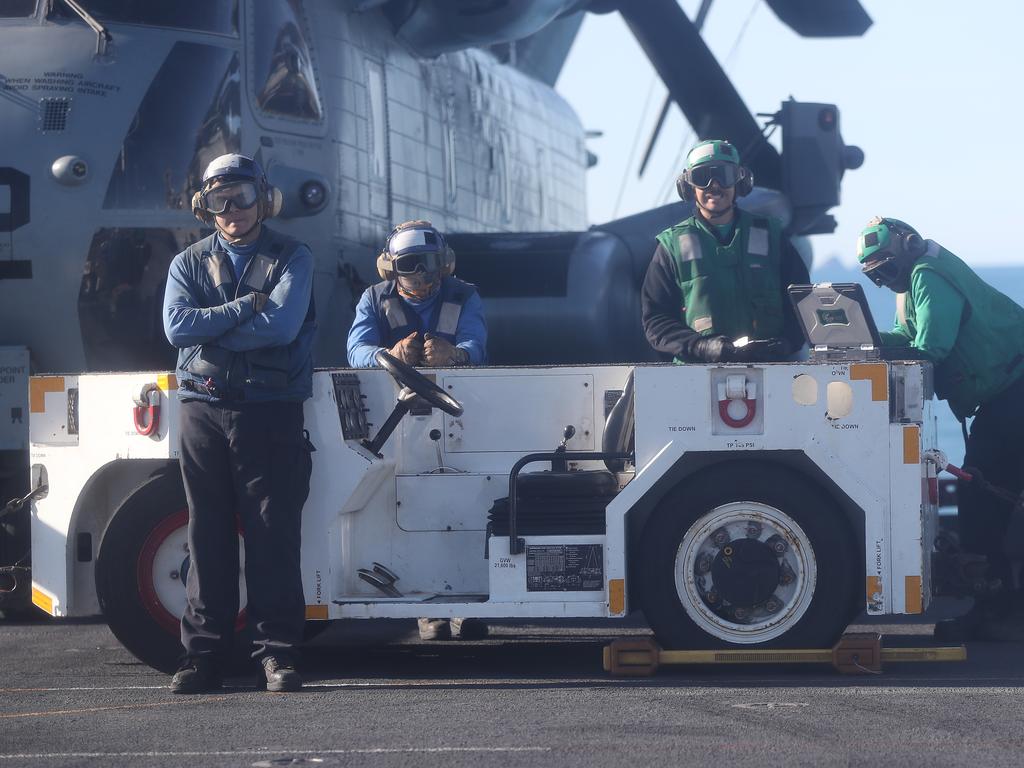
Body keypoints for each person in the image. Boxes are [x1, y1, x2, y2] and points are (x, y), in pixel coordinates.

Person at [163, 153, 316, 692]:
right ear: (205, 206)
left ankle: (276, 653)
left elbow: (280, 327)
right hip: (202, 410)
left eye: (244, 197)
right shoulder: (187, 262)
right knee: (206, 534)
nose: (234, 210)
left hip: (269, 409)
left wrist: (216, 330)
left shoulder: (293, 257)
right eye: (221, 200)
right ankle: (203, 657)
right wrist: (242, 308)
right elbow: (176, 327)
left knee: (273, 534)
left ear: (263, 198)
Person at [857, 216, 1024, 640]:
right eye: (876, 277)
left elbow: (931, 347)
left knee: (983, 495)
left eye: (887, 269)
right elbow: (909, 334)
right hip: (1007, 392)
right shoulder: (914, 281)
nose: (885, 280)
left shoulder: (927, 275)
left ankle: (997, 608)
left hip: (1014, 391)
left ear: (907, 246)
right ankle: (1000, 604)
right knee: (989, 492)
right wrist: (866, 341)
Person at [347, 220, 488, 641]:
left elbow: (477, 344)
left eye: (428, 266)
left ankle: (471, 598)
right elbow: (355, 349)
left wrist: (455, 355)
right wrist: (387, 355)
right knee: (403, 510)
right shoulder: (373, 299)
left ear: (443, 265)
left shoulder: (464, 296)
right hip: (398, 423)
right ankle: (428, 607)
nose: (422, 277)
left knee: (468, 505)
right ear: (392, 268)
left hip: (460, 416)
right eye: (410, 266)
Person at [642, 139, 809, 363]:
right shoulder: (672, 245)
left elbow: (804, 302)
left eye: (725, 175)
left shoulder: (772, 237)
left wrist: (786, 342)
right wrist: (701, 347)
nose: (714, 185)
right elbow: (656, 320)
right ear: (688, 186)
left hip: (771, 371)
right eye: (702, 177)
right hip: (695, 376)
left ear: (741, 182)